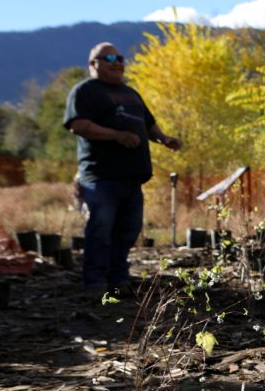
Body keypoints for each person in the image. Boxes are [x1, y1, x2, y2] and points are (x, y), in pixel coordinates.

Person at [64, 42, 181, 298]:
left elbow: (148, 125)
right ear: (93, 64)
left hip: (132, 178)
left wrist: (164, 139)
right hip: (101, 177)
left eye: (120, 57)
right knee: (101, 230)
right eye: (110, 58)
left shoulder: (130, 93)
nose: (118, 62)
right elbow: (79, 125)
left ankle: (118, 280)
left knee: (128, 232)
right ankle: (95, 284)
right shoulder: (85, 91)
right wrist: (117, 135)